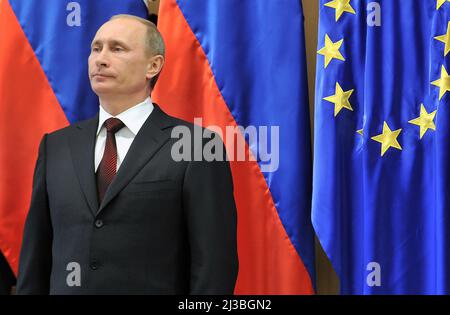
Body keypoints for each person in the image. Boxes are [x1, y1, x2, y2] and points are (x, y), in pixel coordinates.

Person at [16, 15, 238, 295]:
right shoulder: (56, 146)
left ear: (153, 65)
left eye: (117, 49)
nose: (101, 59)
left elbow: (214, 267)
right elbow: (36, 257)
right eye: (96, 48)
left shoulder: (198, 146)